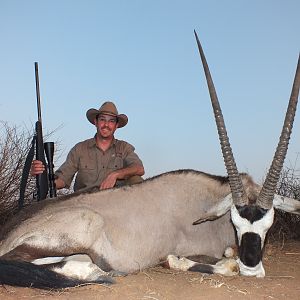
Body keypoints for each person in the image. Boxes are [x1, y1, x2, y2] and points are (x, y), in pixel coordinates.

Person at [31, 101, 145, 191]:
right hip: (84, 203)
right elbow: (62, 180)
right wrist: (43, 176)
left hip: (114, 203)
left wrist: (115, 175)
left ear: (116, 125)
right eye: (102, 120)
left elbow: (139, 168)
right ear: (96, 122)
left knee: (136, 180)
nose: (106, 125)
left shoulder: (124, 148)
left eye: (111, 121)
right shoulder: (79, 149)